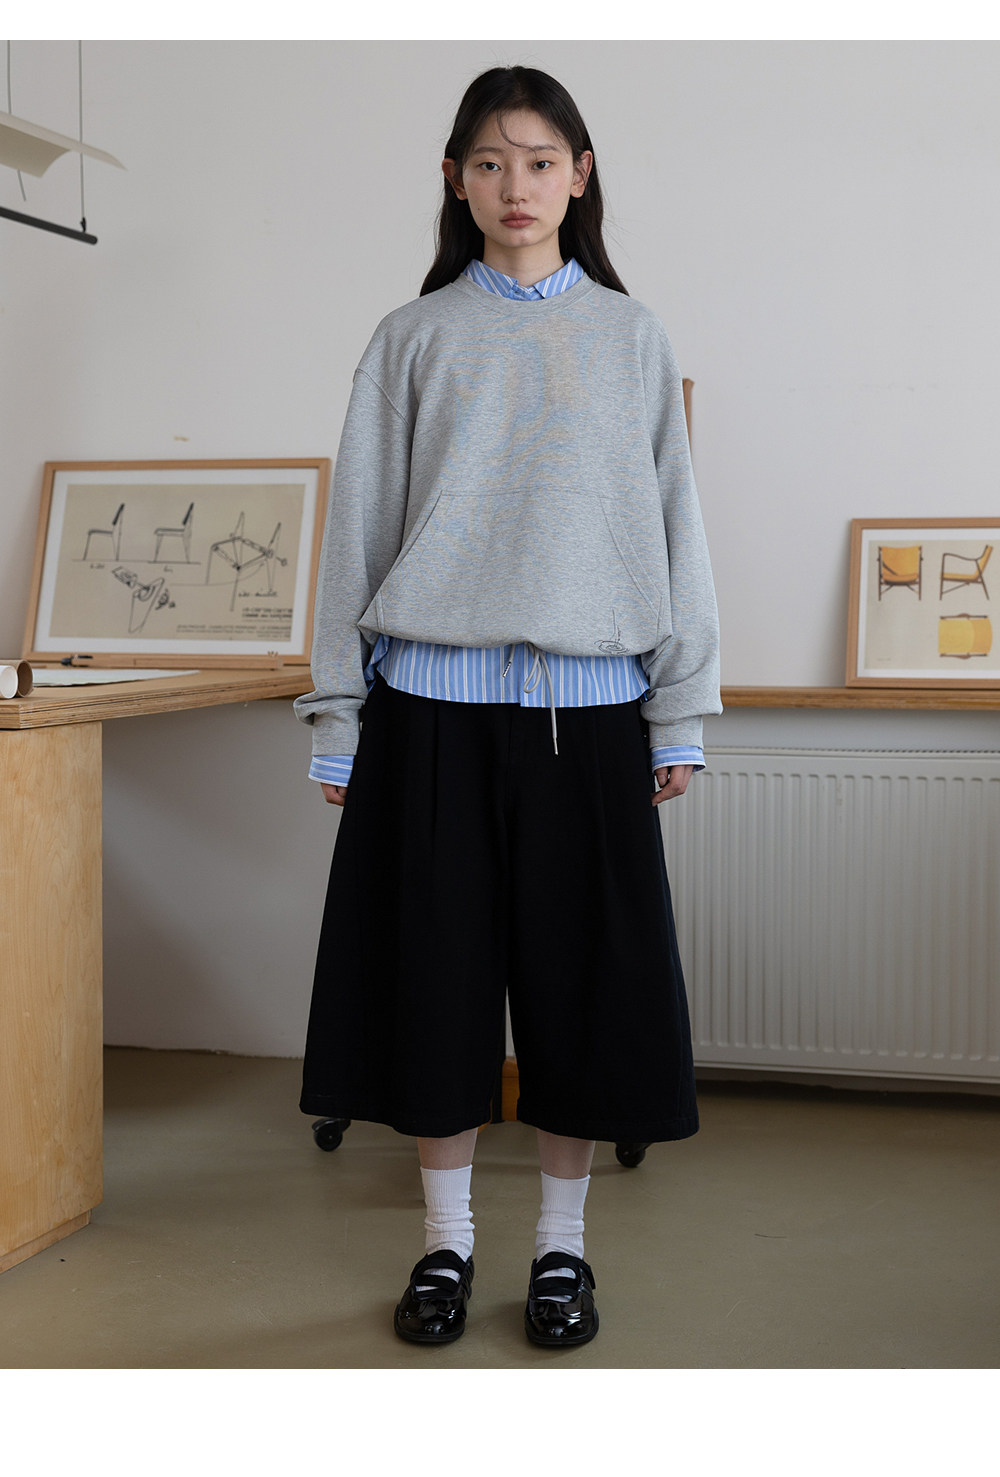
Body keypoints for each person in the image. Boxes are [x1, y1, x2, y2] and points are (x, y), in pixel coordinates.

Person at [294, 64, 721, 1349]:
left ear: (579, 176)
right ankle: (444, 1242)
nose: (514, 185)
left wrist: (678, 708)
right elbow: (357, 536)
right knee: (433, 987)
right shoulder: (410, 338)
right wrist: (338, 714)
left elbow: (676, 530)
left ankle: (560, 1251)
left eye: (538, 161)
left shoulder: (632, 337)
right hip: (428, 711)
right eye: (488, 162)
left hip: (588, 716)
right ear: (454, 180)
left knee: (582, 990)